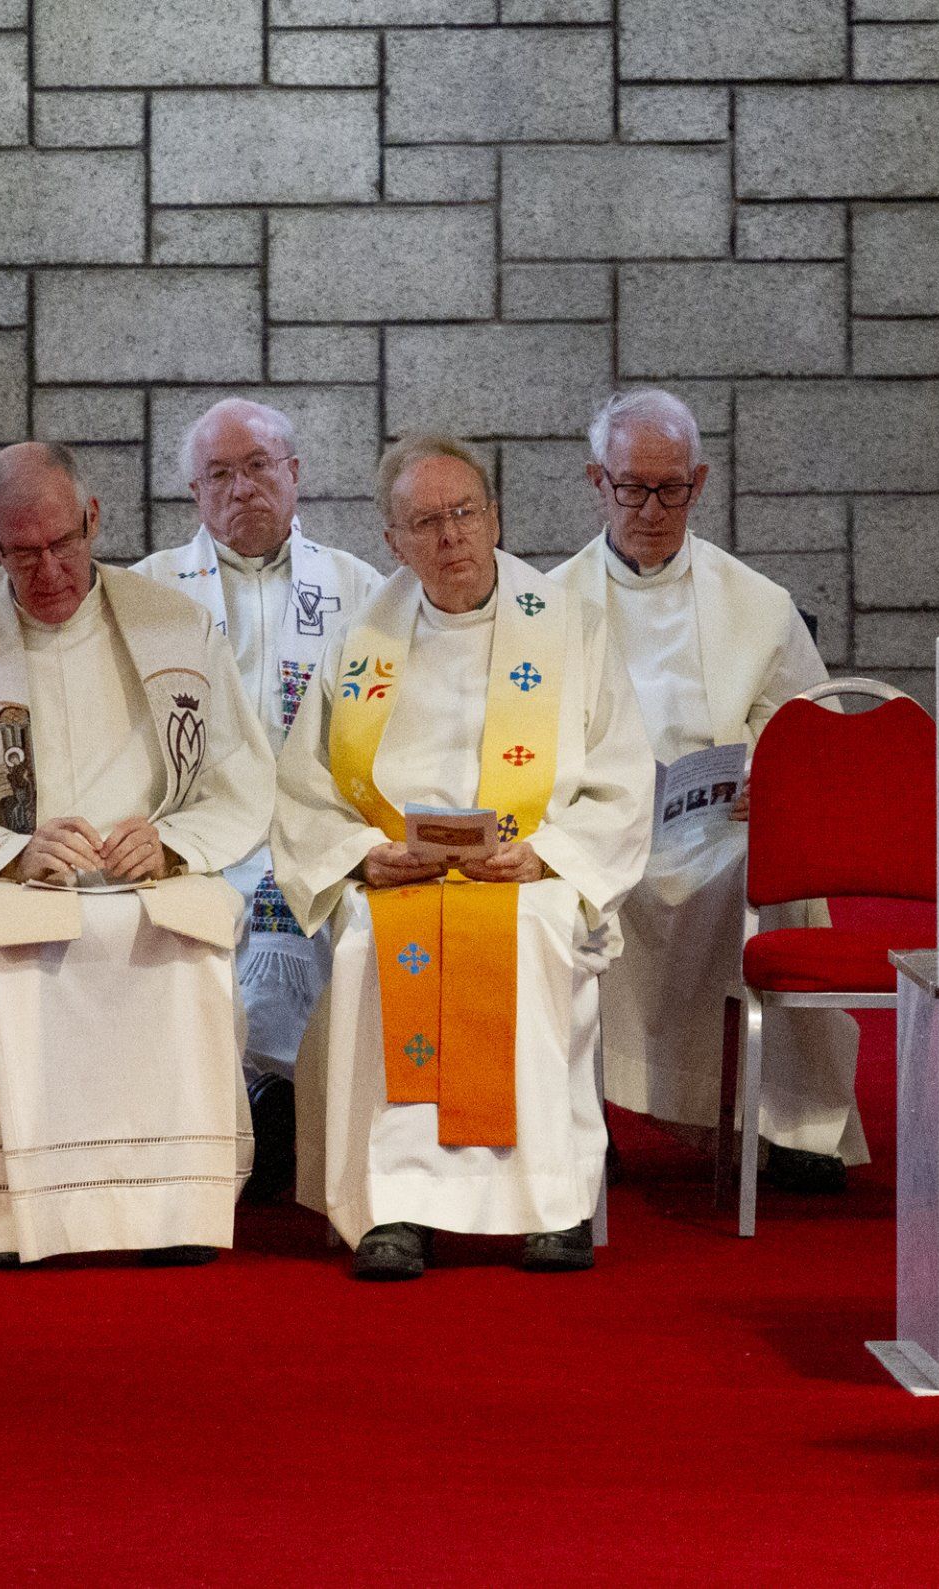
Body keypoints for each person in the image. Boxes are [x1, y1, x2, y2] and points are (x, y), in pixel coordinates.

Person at [0, 442, 273, 1267]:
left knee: (176, 946)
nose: (48, 569)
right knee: (24, 949)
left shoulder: (173, 625)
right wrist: (13, 850)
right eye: (23, 551)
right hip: (15, 877)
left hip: (150, 874)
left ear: (94, 519)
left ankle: (172, 1208)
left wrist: (170, 840)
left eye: (63, 542)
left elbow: (239, 770)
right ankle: (4, 1217)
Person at [272, 435, 652, 1279]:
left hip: (527, 875)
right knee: (370, 938)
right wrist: (364, 857)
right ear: (392, 542)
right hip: (398, 874)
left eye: (463, 513)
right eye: (424, 522)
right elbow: (303, 789)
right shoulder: (359, 642)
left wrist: (549, 856)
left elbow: (623, 783)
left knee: (535, 932)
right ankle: (395, 1208)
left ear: (494, 517)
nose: (449, 537)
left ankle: (550, 1204)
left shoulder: (570, 629)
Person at [551, 389, 867, 1190]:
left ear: (701, 482)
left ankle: (790, 1119)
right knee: (560, 890)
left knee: (775, 870)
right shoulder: (545, 606)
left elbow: (808, 725)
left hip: (721, 827)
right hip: (598, 828)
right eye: (632, 488)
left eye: (672, 489)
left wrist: (773, 772)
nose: (652, 509)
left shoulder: (757, 604)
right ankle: (576, 1118)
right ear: (597, 482)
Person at [133, 398, 380, 1200]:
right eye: (219, 475)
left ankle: (300, 1109)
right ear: (195, 494)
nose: (241, 489)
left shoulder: (361, 588)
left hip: (323, 826)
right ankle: (218, 1117)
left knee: (320, 910)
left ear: (295, 474)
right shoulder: (147, 593)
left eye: (258, 467)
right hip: (195, 830)